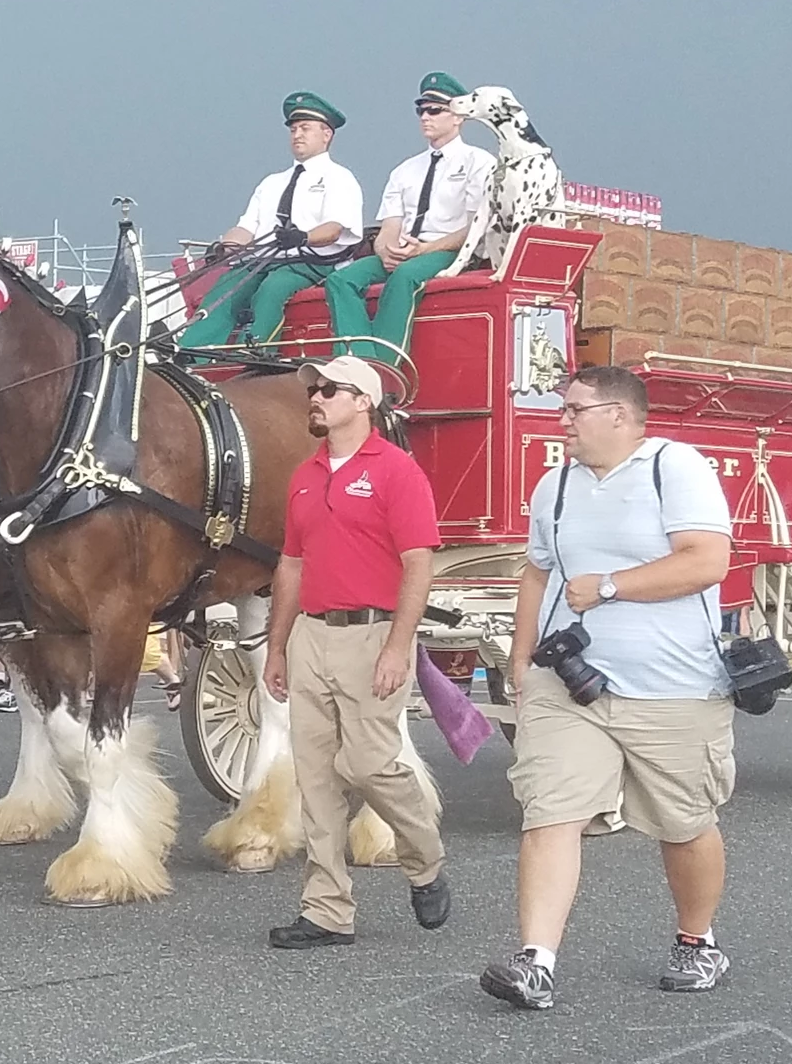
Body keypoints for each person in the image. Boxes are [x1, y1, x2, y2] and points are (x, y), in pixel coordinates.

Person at [482, 364, 736, 1010]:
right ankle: (536, 960)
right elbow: (537, 574)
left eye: (575, 409)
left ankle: (697, 939)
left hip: (673, 688)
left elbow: (707, 560)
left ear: (619, 415)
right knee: (549, 812)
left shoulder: (674, 469)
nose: (561, 420)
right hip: (570, 686)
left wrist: (610, 586)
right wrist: (520, 659)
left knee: (686, 824)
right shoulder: (554, 486)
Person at [261, 356, 449, 948]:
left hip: (371, 633)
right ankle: (326, 910)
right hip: (311, 634)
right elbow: (291, 564)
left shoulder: (397, 472)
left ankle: (426, 859)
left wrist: (398, 645)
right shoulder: (304, 474)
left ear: (363, 402)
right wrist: (277, 646)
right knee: (315, 777)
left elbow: (420, 563)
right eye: (313, 389)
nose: (315, 397)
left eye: (329, 390)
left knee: (371, 765)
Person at [325, 73, 499, 359]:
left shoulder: (478, 162)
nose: (425, 117)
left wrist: (425, 249)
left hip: (450, 253)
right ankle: (356, 359)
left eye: (435, 110)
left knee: (404, 277)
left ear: (457, 117)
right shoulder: (405, 170)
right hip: (406, 251)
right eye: (421, 110)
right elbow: (389, 226)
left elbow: (474, 228)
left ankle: (385, 364)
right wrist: (386, 251)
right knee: (341, 280)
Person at [178, 93, 364, 349]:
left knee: (273, 289)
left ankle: (257, 351)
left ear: (326, 134)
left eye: (305, 128)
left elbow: (334, 229)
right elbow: (247, 227)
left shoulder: (340, 179)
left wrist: (302, 237)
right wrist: (226, 246)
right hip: (265, 260)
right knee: (227, 287)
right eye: (293, 129)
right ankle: (189, 352)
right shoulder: (271, 183)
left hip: (312, 263)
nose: (297, 134)